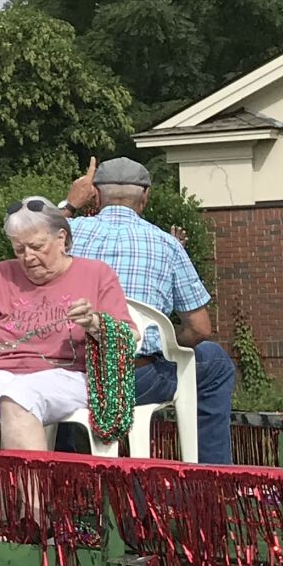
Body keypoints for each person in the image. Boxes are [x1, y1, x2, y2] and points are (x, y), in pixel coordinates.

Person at [0, 200, 132, 451]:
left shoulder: (96, 274)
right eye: (19, 249)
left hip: (69, 373)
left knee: (18, 395)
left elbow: (128, 336)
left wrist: (94, 323)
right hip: (2, 371)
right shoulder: (0, 274)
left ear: (61, 238)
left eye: (37, 247)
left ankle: (28, 491)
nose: (28, 257)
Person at [64, 156, 237, 464]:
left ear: (96, 196)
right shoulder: (166, 245)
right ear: (145, 197)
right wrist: (168, 345)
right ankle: (212, 478)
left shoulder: (66, 234)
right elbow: (199, 328)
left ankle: (68, 475)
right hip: (137, 378)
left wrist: (69, 203)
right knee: (216, 363)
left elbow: (30, 238)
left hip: (72, 374)